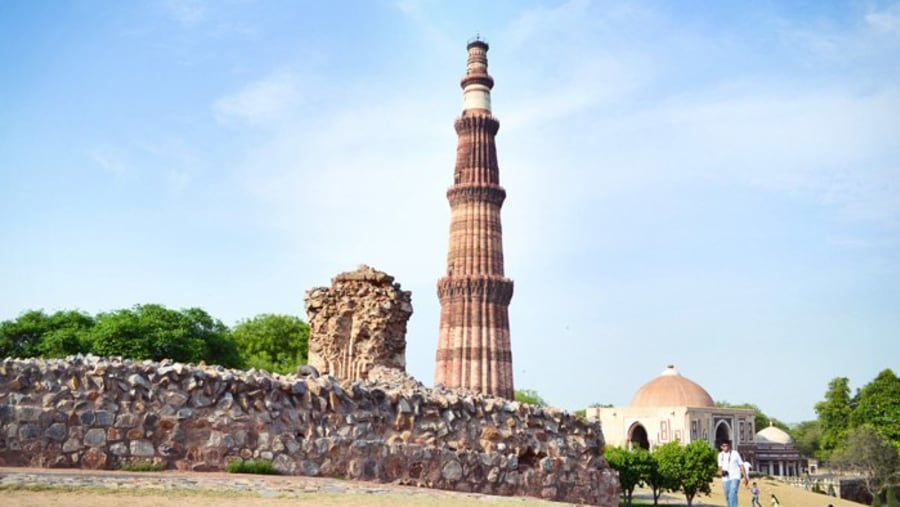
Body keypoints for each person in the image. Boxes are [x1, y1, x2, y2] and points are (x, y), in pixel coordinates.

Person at [718, 440, 749, 507]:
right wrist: (721, 472)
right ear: (721, 447)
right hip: (726, 478)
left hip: (735, 476)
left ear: (729, 446)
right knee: (727, 495)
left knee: (733, 492)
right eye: (724, 446)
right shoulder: (720, 455)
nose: (725, 447)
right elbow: (720, 466)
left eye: (727, 445)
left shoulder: (735, 453)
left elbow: (741, 465)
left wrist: (745, 477)